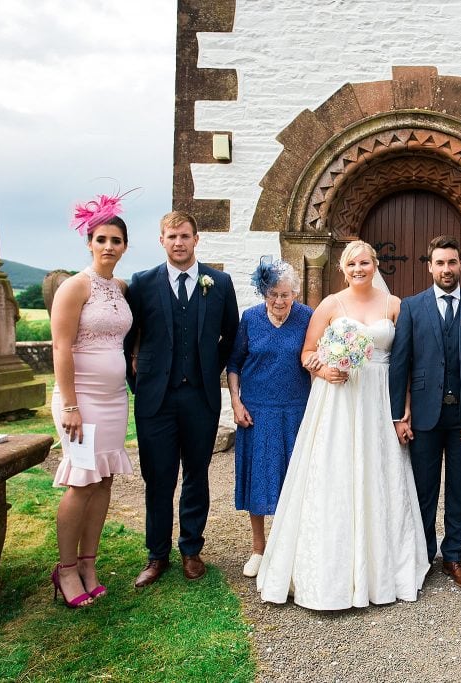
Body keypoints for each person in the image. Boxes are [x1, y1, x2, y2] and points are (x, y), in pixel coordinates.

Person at [257, 241, 429, 610]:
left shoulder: (394, 305)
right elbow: (306, 353)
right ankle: (329, 574)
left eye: (364, 262)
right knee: (334, 474)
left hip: (380, 398)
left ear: (375, 264)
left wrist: (405, 410)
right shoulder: (331, 304)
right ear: (342, 267)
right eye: (351, 263)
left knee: (380, 476)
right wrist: (323, 367)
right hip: (338, 397)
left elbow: (406, 366)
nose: (358, 269)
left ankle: (382, 571)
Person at [126, 210, 239, 587]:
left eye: (185, 236)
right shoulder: (142, 283)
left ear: (196, 239)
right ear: (161, 240)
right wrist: (139, 384)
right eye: (172, 236)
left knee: (196, 474)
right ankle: (156, 555)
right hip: (155, 400)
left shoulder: (219, 283)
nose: (179, 242)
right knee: (158, 477)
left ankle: (191, 548)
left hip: (200, 398)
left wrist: (209, 369)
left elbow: (230, 335)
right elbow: (127, 342)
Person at [390, 235, 461, 590]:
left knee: (459, 489)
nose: (446, 269)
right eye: (440, 263)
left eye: (452, 262)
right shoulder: (411, 306)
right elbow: (400, 364)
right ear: (430, 266)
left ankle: (453, 556)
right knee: (423, 490)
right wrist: (398, 416)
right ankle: (422, 556)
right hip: (423, 416)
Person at [49, 193, 135, 608]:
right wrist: (69, 405)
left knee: (103, 481)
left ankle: (88, 564)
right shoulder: (74, 287)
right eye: (101, 239)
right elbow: (61, 348)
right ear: (89, 242)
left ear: (124, 246)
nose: (108, 246)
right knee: (80, 482)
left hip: (114, 399)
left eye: (115, 240)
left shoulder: (119, 287)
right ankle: (65, 570)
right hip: (80, 399)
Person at [227, 257, 313, 578]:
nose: (279, 301)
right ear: (264, 293)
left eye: (286, 294)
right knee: (260, 477)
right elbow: (234, 364)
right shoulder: (250, 319)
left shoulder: (307, 317)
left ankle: (292, 547)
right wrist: (236, 402)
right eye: (273, 294)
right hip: (257, 410)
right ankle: (259, 548)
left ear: (295, 293)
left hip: (295, 409)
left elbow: (316, 355)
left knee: (295, 478)